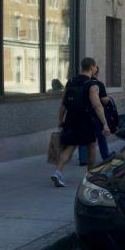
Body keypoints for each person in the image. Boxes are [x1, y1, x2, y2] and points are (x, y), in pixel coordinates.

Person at [51, 57, 110, 187]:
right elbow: (97, 105)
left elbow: (63, 104)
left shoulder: (71, 81)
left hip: (70, 118)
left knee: (70, 147)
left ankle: (57, 172)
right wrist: (104, 123)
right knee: (91, 146)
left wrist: (61, 121)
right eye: (95, 67)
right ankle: (90, 175)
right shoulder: (91, 84)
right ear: (92, 67)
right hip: (85, 119)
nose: (96, 69)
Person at [78, 64, 112, 166]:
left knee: (83, 136)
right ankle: (105, 155)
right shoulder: (98, 84)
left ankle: (83, 159)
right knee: (101, 136)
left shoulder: (77, 83)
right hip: (95, 114)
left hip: (81, 113)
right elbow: (104, 100)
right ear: (95, 72)